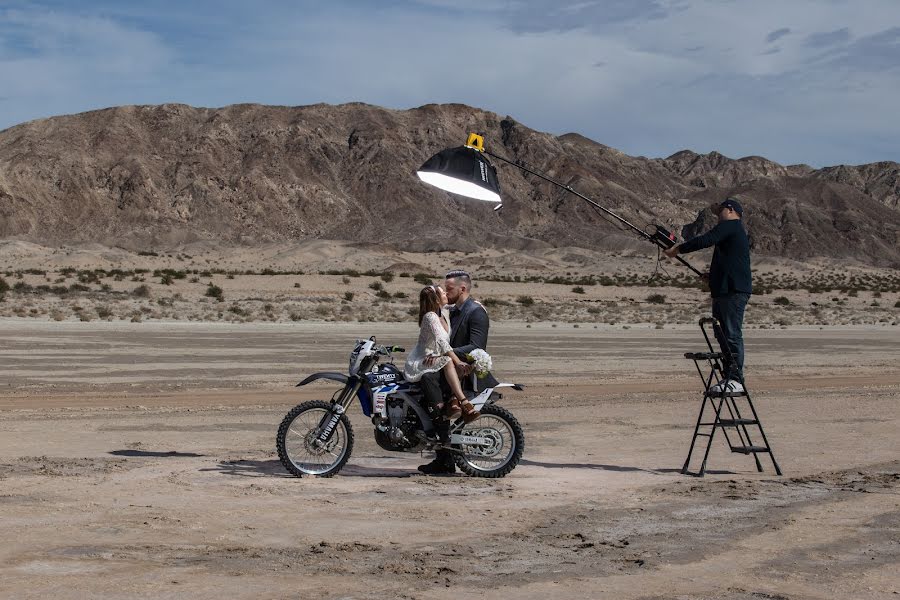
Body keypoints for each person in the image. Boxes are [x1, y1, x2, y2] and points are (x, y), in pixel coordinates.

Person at [664, 198, 751, 394]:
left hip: (733, 290)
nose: (718, 215)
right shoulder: (731, 231)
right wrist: (713, 277)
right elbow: (731, 262)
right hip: (723, 289)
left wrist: (677, 249)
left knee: (731, 333)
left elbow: (705, 240)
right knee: (721, 333)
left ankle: (735, 379)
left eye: (720, 211)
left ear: (730, 210)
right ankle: (729, 376)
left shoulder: (732, 226)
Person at [417, 269, 496, 475]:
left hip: (464, 369)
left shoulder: (476, 311)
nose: (445, 291)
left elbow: (477, 346)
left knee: (429, 387)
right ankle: (443, 458)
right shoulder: (450, 310)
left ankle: (444, 449)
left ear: (462, 289)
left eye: (449, 288)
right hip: (448, 365)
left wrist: (443, 354)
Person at [403, 285, 472, 428]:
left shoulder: (443, 313)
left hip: (434, 357)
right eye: (442, 293)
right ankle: (463, 401)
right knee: (449, 361)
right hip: (421, 361)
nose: (446, 293)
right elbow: (441, 341)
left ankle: (453, 402)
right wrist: (458, 361)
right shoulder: (430, 316)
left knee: (451, 361)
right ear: (435, 299)